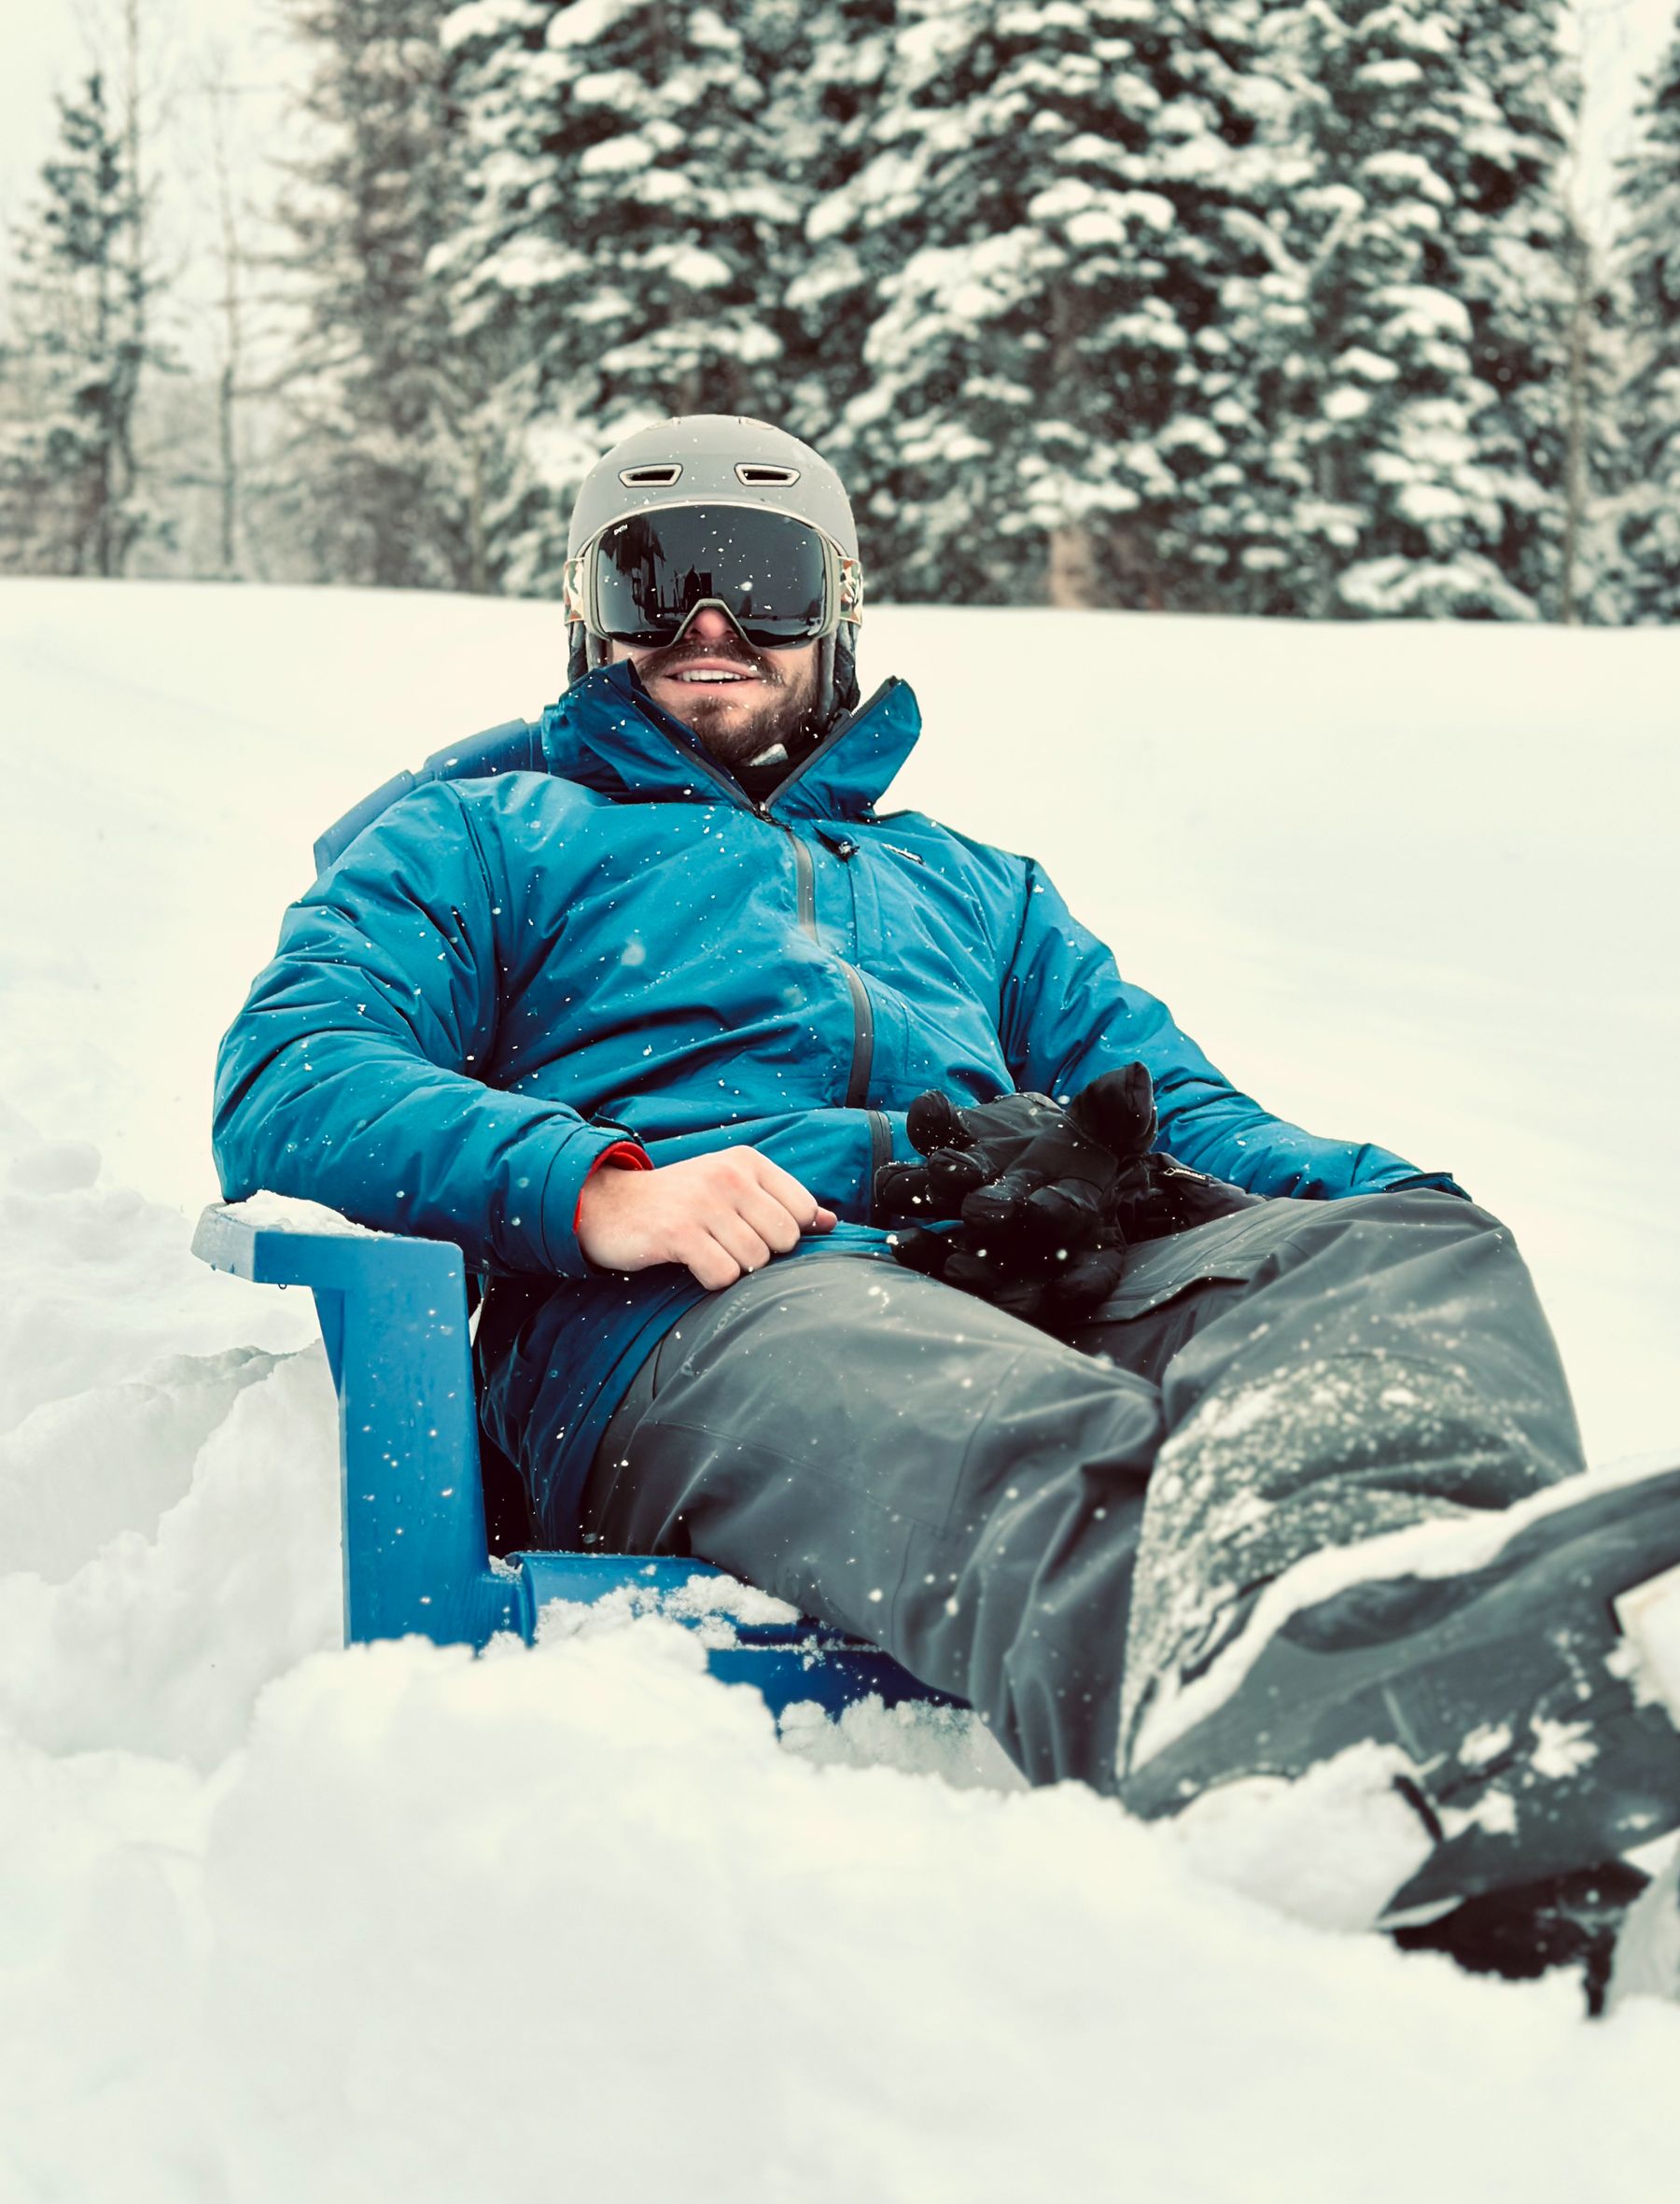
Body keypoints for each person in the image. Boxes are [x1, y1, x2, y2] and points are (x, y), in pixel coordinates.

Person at [214, 415, 1680, 2000]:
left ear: (836, 609)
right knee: (984, 1411)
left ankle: (1458, 1648)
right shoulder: (485, 837)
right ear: (588, 615)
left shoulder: (978, 886)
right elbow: (294, 1068)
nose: (708, 632)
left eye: (757, 585)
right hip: (706, 1308)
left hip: (1012, 1252)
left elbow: (1171, 1103)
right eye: (657, 585)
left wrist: (1376, 1204)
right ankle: (1293, 1773)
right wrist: (597, 1185)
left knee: (1401, 1259)